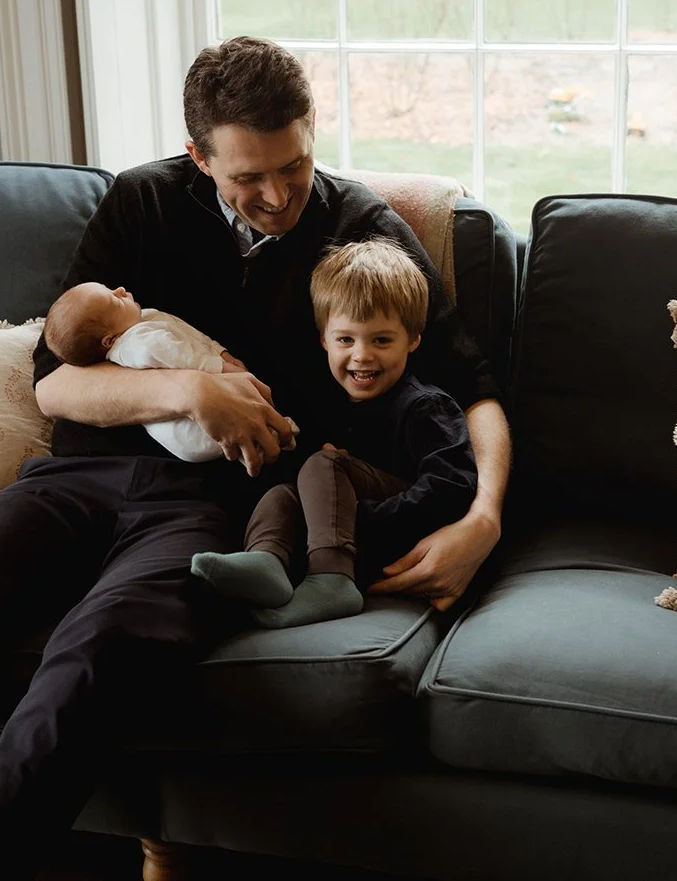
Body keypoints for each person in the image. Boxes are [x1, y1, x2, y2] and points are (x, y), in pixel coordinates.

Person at [0, 36, 510, 881]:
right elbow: (54, 385)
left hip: (217, 507)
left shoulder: (360, 231)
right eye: (249, 176)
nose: (277, 194)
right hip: (73, 480)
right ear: (198, 156)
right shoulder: (142, 200)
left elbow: (474, 389)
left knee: (95, 659)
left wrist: (483, 518)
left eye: (294, 164)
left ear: (311, 131)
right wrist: (188, 390)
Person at [192, 239, 478, 628]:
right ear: (324, 339)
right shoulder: (324, 405)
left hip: (398, 535)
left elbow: (453, 486)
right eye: (346, 339)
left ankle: (332, 578)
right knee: (283, 492)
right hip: (337, 534)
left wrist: (357, 516)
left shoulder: (426, 406)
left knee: (326, 464)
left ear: (413, 338)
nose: (362, 355)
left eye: (381, 340)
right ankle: (267, 560)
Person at [44, 280, 274, 462]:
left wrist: (221, 352)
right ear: (109, 340)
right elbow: (183, 356)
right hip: (186, 434)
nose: (120, 289)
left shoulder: (143, 320)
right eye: (115, 301)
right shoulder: (139, 343)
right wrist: (220, 367)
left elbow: (192, 336)